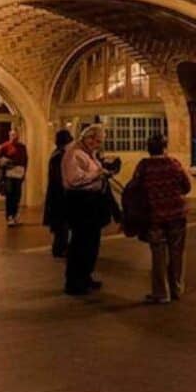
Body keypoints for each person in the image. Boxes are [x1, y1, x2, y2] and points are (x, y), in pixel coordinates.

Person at [128, 134, 192, 305]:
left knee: (158, 255)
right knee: (177, 253)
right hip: (177, 215)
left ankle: (161, 293)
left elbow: (135, 188)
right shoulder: (173, 163)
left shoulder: (144, 166)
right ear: (165, 147)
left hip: (154, 216)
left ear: (148, 149)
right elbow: (187, 186)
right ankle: (176, 289)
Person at [61, 124, 112, 295]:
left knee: (91, 242)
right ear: (88, 138)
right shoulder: (74, 154)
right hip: (80, 202)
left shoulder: (89, 154)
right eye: (97, 141)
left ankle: (85, 276)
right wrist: (97, 174)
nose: (98, 145)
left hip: (92, 202)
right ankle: (74, 281)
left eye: (100, 142)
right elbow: (74, 179)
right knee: (80, 242)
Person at [43, 129, 73, 258]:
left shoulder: (57, 154)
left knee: (61, 222)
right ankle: (60, 248)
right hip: (59, 193)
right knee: (61, 222)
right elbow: (59, 176)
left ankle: (60, 247)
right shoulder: (60, 156)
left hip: (57, 193)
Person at [0, 129, 28, 226]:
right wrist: (4, 163)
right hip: (9, 175)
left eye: (16, 135)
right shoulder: (5, 146)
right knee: (10, 196)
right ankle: (9, 216)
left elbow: (25, 160)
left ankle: (15, 215)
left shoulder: (22, 147)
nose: (14, 137)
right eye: (12, 135)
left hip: (19, 174)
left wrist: (24, 172)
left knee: (17, 195)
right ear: (9, 136)